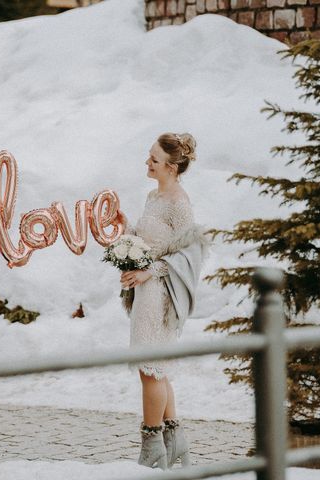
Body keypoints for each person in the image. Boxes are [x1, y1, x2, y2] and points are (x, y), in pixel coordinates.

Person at [120, 132, 206, 470]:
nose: (147, 163)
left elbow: (190, 253)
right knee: (156, 369)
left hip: (160, 294)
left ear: (171, 167)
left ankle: (152, 443)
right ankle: (174, 440)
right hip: (144, 293)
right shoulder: (153, 197)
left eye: (154, 159)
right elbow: (148, 240)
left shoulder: (179, 203)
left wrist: (148, 272)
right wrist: (125, 232)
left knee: (150, 369)